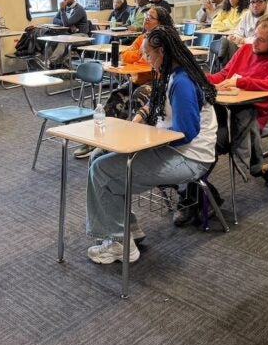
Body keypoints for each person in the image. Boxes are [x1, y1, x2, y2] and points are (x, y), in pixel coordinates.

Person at [85, 25, 218, 264]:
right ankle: (129, 229)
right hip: (172, 147)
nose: (146, 59)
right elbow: (158, 107)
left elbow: (186, 133)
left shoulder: (183, 82)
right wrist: (141, 121)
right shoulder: (170, 74)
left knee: (102, 170)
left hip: (191, 157)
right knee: (98, 156)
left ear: (163, 52)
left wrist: (144, 139)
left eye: (149, 55)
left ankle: (119, 243)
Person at [205, 15, 268, 184]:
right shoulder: (245, 50)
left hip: (254, 115)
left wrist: (241, 82)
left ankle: (195, 193)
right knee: (202, 138)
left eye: (261, 40)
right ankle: (196, 192)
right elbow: (223, 76)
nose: (254, 42)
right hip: (226, 109)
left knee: (208, 143)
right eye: (255, 35)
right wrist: (201, 77)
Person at [73, 6, 174, 159]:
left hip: (158, 82)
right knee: (116, 95)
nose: (146, 18)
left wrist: (140, 57)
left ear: (161, 22)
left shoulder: (165, 41)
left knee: (138, 95)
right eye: (146, 15)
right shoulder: (142, 38)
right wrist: (140, 53)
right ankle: (99, 140)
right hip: (140, 79)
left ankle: (136, 142)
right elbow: (125, 55)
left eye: (151, 17)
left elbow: (149, 64)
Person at [48, 0, 89, 67]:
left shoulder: (79, 9)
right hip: (70, 35)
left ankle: (51, 62)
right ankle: (58, 63)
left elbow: (66, 24)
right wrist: (66, 23)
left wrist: (63, 12)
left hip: (82, 35)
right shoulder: (65, 7)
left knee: (63, 41)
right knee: (54, 41)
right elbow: (55, 20)